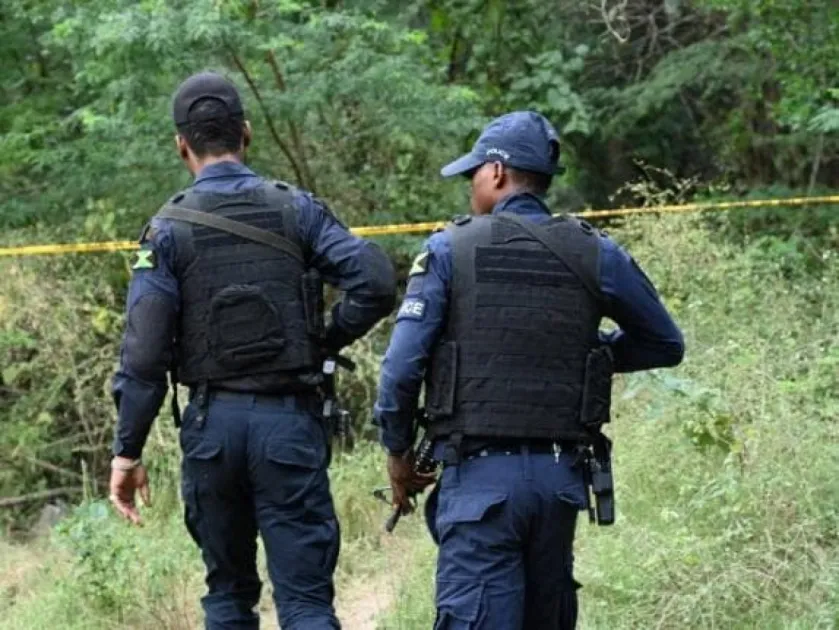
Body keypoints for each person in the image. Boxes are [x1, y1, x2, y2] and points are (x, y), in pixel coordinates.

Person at [108, 71, 396, 630]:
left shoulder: (165, 232)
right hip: (288, 425)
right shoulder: (297, 211)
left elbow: (143, 355)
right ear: (247, 133)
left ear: (181, 146)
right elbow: (375, 283)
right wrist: (324, 340)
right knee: (307, 603)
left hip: (212, 432)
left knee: (227, 598)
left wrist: (127, 451)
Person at [374, 111, 685, 629]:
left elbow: (402, 368)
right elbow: (664, 342)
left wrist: (398, 454)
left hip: (479, 484)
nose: (470, 185)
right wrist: (592, 354)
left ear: (496, 172)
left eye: (473, 173)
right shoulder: (595, 251)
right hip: (560, 483)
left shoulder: (449, 248)